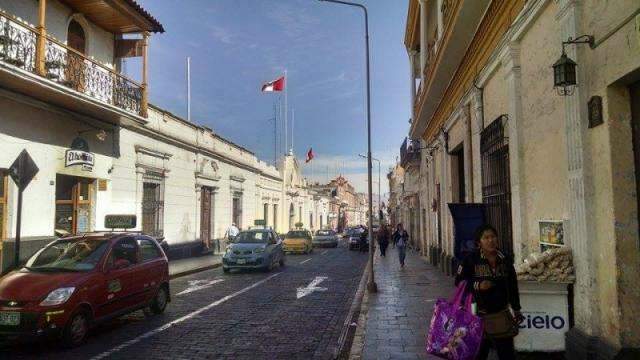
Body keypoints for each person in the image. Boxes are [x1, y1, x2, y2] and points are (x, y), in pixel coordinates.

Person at [455, 224, 524, 360]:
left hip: (500, 315)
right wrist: (477, 285)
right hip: (478, 316)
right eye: (486, 237)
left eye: (493, 237)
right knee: (479, 354)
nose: (490, 240)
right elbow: (459, 282)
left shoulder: (504, 259)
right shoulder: (471, 259)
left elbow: (512, 285)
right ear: (479, 241)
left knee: (507, 354)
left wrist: (516, 308)